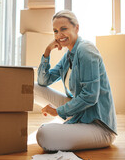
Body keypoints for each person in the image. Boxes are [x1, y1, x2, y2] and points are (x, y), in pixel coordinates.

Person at [34, 9, 117, 152]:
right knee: (32, 88)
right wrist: (47, 51)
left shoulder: (86, 50)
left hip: (98, 125)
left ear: (76, 28)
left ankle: (70, 128)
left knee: (44, 134)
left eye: (63, 29)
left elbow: (90, 96)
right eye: (55, 31)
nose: (59, 35)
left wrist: (58, 111)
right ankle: (71, 126)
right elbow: (43, 81)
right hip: (80, 113)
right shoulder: (68, 55)